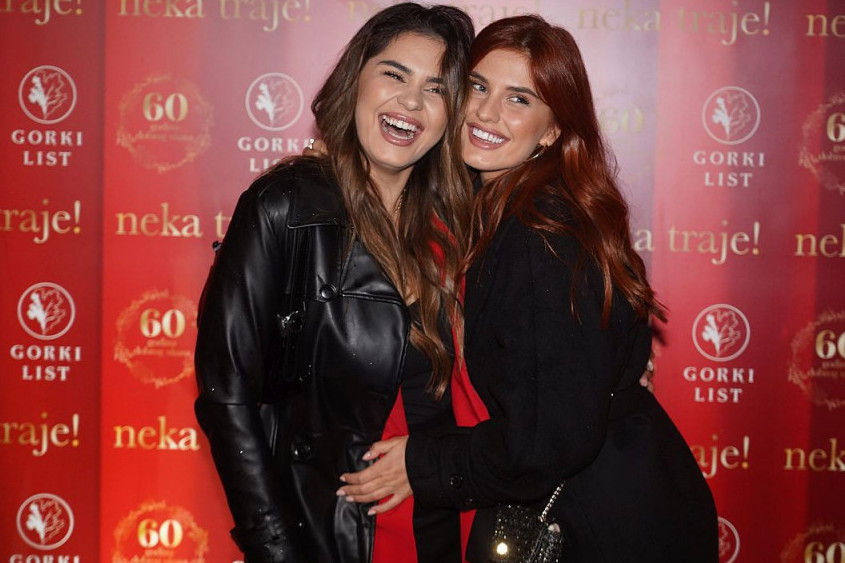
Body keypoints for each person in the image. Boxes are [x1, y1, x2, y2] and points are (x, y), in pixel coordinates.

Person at [337, 15, 719, 562]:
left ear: (551, 130)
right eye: (478, 87)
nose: (487, 113)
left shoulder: (540, 234)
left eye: (519, 99)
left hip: (600, 526)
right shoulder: (494, 209)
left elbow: (549, 439)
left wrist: (422, 463)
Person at [193, 4, 478, 562]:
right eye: (394, 74)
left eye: (436, 89)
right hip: (330, 536)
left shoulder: (463, 227)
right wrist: (275, 548)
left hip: (446, 528)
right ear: (356, 81)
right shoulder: (286, 207)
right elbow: (228, 395)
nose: (411, 102)